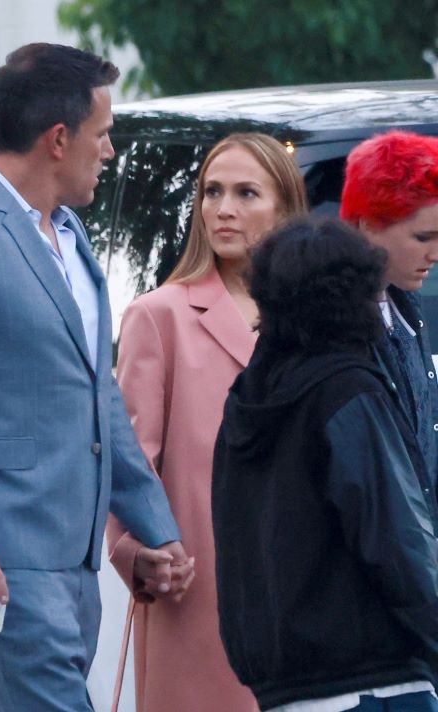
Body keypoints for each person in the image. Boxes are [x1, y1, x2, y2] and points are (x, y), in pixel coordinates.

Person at [0, 42, 193, 712]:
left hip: (73, 564)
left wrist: (155, 525)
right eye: (102, 135)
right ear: (58, 139)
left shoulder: (72, 237)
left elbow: (99, 398)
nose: (109, 152)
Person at [107, 133, 308, 712]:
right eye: (212, 192)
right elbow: (128, 463)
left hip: (307, 595)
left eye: (246, 193)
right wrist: (135, 554)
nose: (223, 209)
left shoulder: (316, 317)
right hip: (199, 595)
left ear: (286, 209)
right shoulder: (159, 316)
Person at [212, 216, 438, 712]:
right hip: (376, 678)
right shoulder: (348, 391)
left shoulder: (246, 400)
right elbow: (396, 539)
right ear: (353, 296)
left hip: (285, 686)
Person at [340, 130, 438, 505]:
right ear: (368, 225)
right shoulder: (332, 325)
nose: (435, 254)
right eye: (423, 237)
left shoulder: (405, 305)